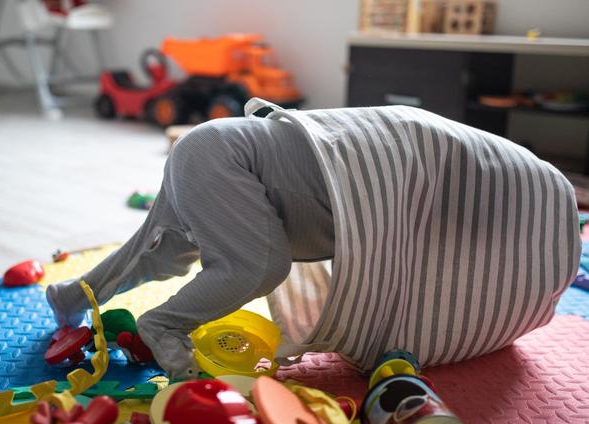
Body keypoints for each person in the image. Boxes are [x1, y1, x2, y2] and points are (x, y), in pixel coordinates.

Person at [47, 98, 580, 379]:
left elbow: (426, 275)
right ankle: (164, 326)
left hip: (217, 153)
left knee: (158, 252)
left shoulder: (429, 210)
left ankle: (70, 297)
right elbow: (411, 139)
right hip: (225, 155)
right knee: (258, 265)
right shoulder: (437, 170)